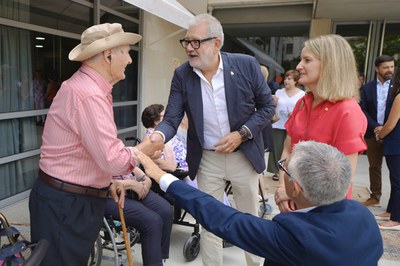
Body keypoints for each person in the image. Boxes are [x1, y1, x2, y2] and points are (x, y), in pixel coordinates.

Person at [29, 23, 161, 265]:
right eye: (126, 52)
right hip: (66, 204)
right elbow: (113, 160)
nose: (130, 60)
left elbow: (86, 151)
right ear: (108, 55)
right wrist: (144, 150)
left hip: (67, 200)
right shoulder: (89, 93)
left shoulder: (88, 87)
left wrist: (105, 181)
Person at [149, 13, 275, 266]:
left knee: (250, 218)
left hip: (244, 155)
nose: (188, 48)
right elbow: (172, 117)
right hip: (207, 159)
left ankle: (255, 263)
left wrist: (242, 134)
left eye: (195, 42)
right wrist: (156, 138)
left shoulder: (246, 65)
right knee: (209, 221)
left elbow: (267, 108)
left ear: (216, 43)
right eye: (185, 42)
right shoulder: (183, 74)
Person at [136, 141, 383, 265]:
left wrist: (162, 177)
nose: (282, 170)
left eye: (284, 167)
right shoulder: (363, 217)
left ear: (295, 188)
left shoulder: (296, 236)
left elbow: (225, 219)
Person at [274, 34, 367, 213]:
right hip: (293, 202)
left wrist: (292, 194)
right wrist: (283, 188)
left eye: (307, 60)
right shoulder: (303, 103)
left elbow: (343, 178)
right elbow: (288, 150)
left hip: (324, 212)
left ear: (330, 65)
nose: (299, 66)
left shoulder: (348, 111)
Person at [104, 167, 173, 265]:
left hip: (133, 187)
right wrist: (130, 184)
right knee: (152, 221)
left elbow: (130, 161)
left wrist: (145, 178)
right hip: (108, 195)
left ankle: (158, 259)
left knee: (165, 210)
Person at [360, 55, 395, 206]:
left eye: (392, 67)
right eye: (386, 67)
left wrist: (385, 128)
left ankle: (394, 201)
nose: (390, 70)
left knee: (395, 168)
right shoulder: (366, 88)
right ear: (377, 69)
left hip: (392, 133)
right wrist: (376, 128)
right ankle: (375, 196)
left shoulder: (397, 87)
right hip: (372, 133)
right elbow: (363, 110)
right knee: (374, 166)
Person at [374, 66, 400, 229]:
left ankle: (396, 218)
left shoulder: (399, 96)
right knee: (394, 178)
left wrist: (380, 133)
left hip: (396, 143)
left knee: (397, 181)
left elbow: (391, 125)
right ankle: (391, 211)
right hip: (396, 143)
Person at [267, 70, 305, 181]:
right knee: (276, 148)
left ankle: (289, 171)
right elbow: (272, 106)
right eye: (286, 78)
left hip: (293, 125)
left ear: (296, 81)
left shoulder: (302, 94)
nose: (286, 81)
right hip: (278, 124)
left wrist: (295, 113)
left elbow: (304, 110)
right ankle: (276, 171)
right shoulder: (279, 92)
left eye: (289, 79)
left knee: (291, 149)